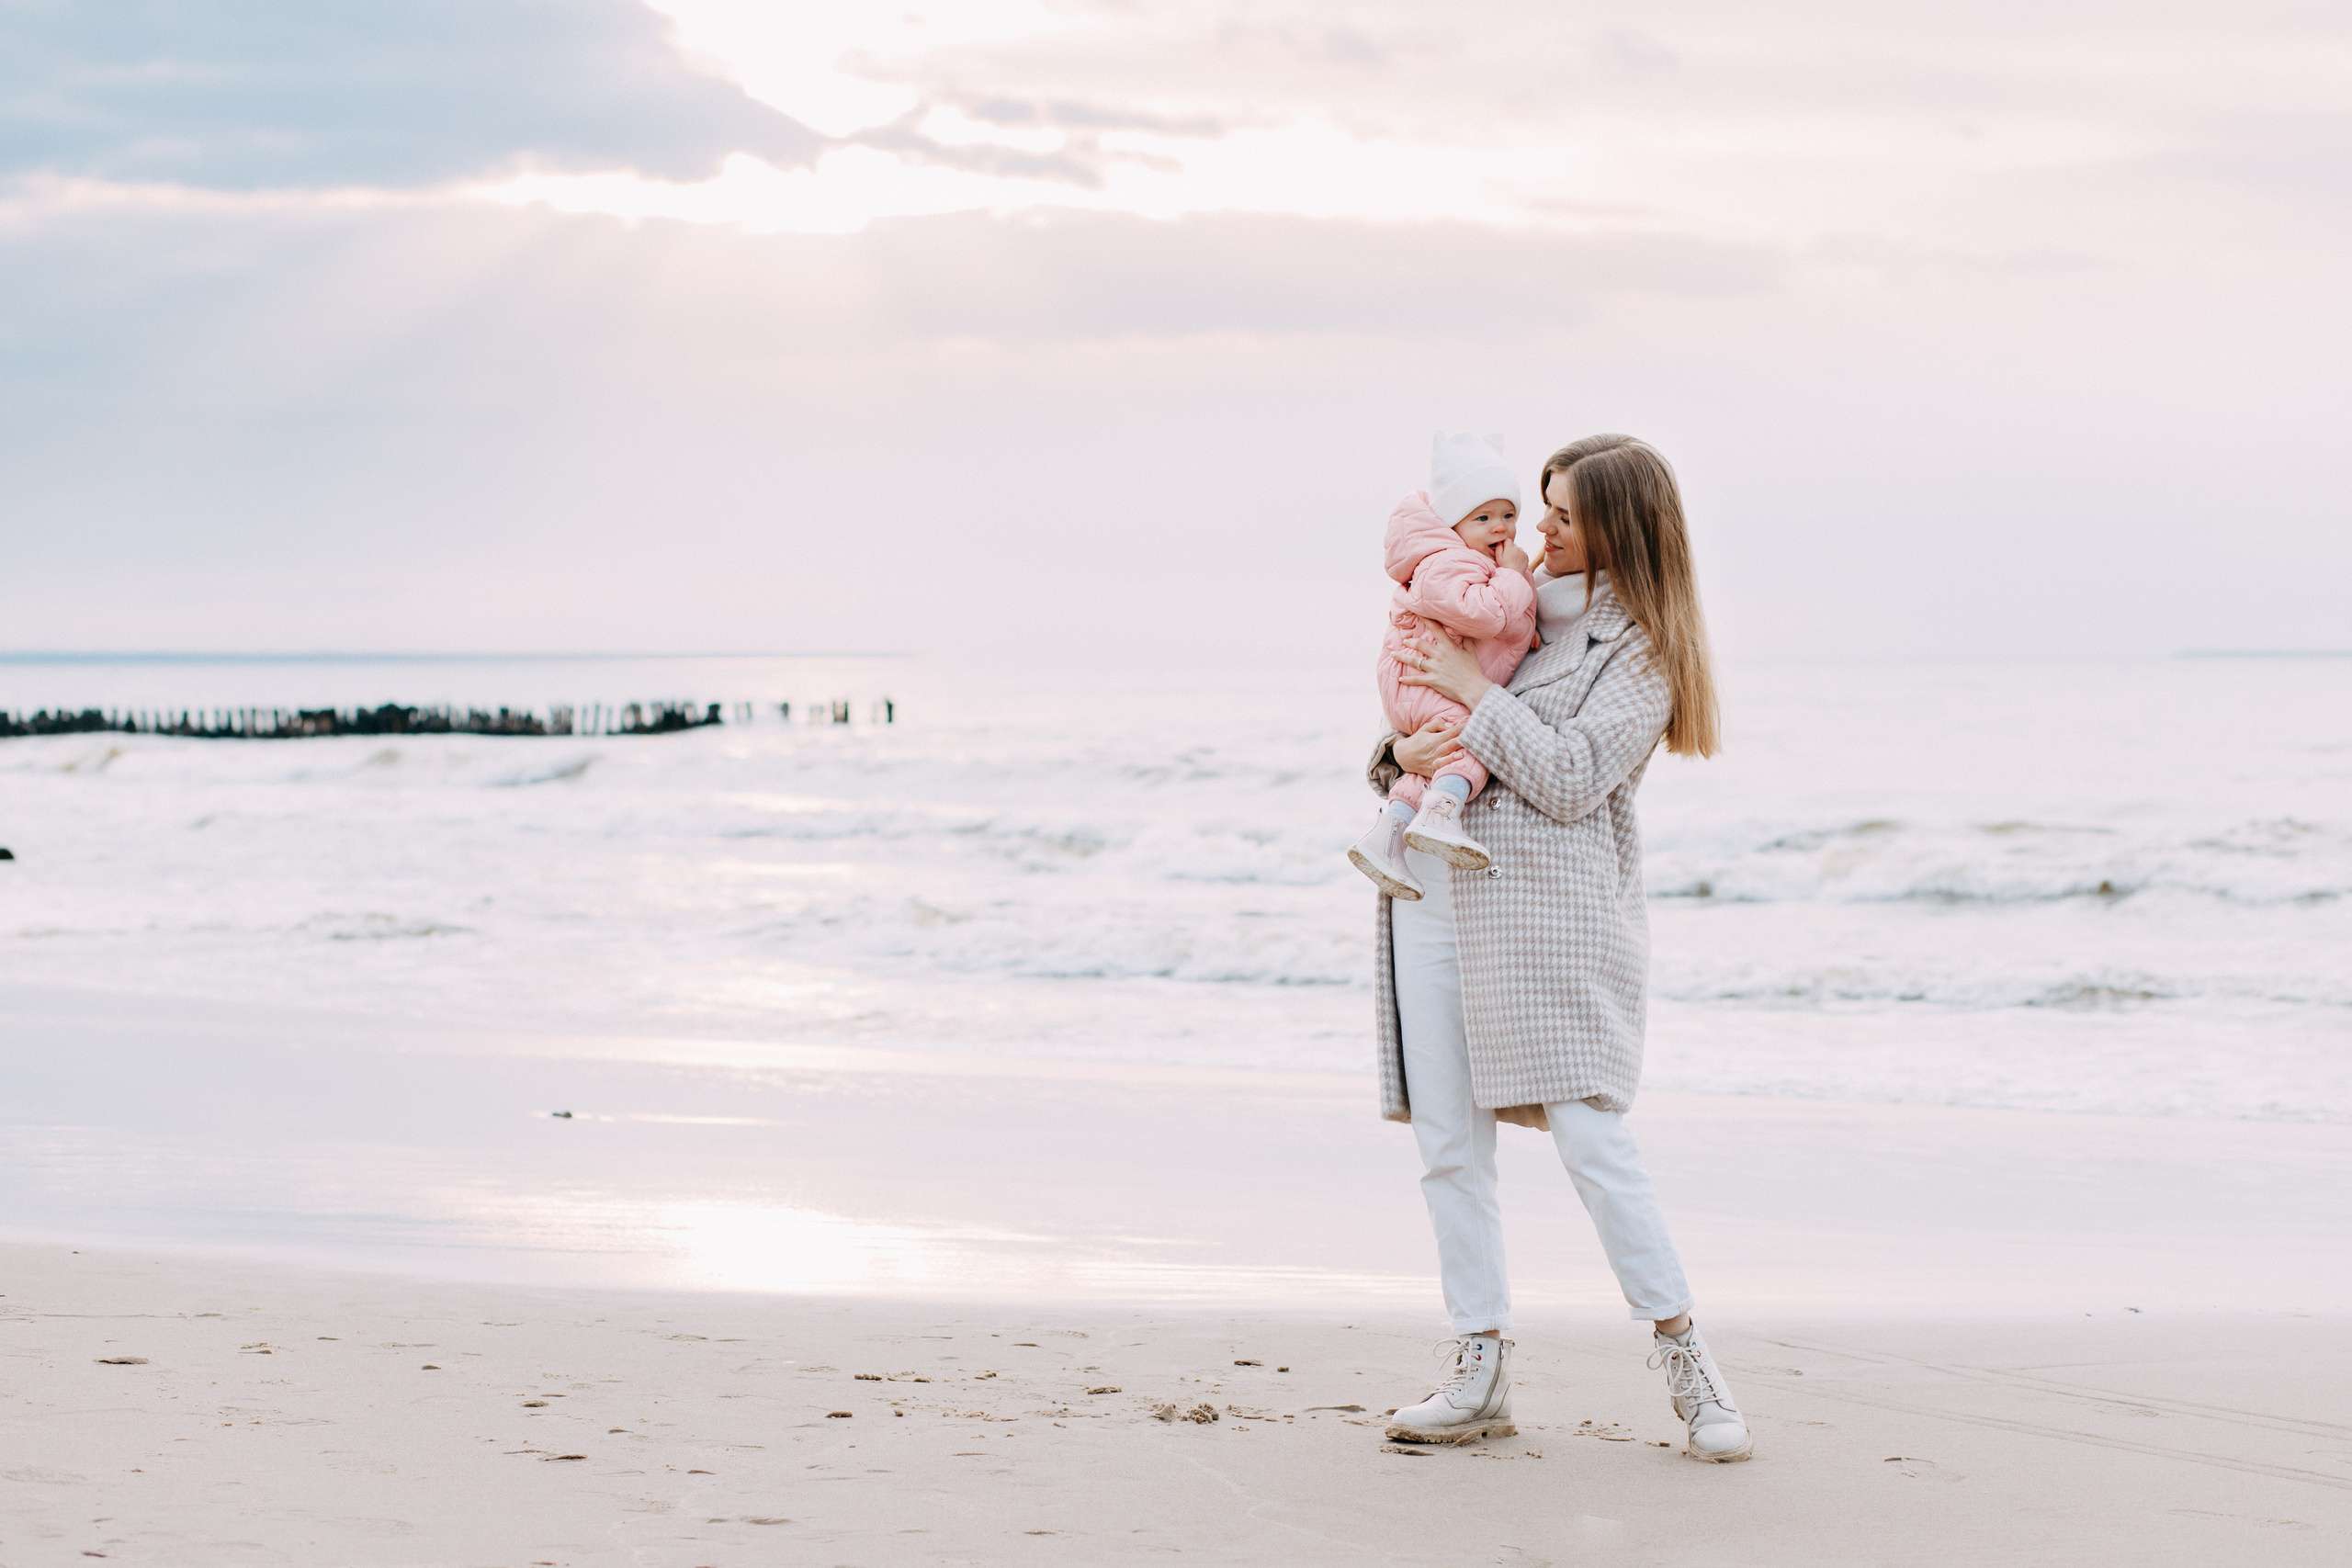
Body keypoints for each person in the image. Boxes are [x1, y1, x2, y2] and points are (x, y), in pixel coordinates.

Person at [1369, 434, 1751, 1462]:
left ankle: (1685, 1355)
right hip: (1432, 894)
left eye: (1561, 516)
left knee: (1591, 1139)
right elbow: (1423, 717)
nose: (1535, 531)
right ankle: (1477, 1364)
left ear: (1616, 529)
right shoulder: (1502, 601)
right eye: (1538, 508)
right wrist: (1395, 751)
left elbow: (1575, 775)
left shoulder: (1641, 650)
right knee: (1449, 1145)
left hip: (1547, 924)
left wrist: (1470, 689)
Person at [1348, 434, 1542, 901]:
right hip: (1421, 679)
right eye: (1483, 518)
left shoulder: (1464, 560)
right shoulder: (1447, 561)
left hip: (1417, 683)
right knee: (1472, 736)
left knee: (1427, 760)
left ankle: (1388, 835)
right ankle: (1443, 810)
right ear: (1452, 523)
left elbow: (1495, 626)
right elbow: (1486, 613)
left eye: (1509, 515)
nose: (1500, 527)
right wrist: (1515, 576)